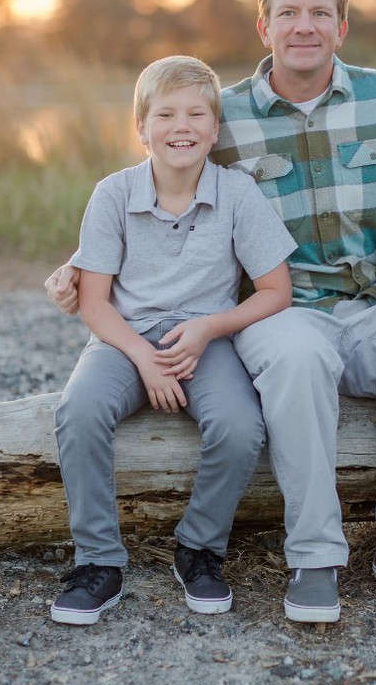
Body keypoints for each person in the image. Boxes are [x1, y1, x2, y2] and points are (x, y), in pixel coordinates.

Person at [46, 0, 376, 623]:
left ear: (342, 25)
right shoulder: (227, 115)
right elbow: (163, 178)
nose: (305, 26)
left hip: (374, 305)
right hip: (282, 307)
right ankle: (315, 554)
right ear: (264, 26)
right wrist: (79, 264)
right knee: (298, 362)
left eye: (320, 13)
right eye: (289, 13)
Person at [50, 55, 296, 625]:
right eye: (165, 114)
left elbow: (274, 291)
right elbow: (93, 301)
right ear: (141, 127)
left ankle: (200, 547)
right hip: (124, 338)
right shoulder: (112, 194)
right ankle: (99, 562)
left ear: (214, 129)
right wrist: (143, 358)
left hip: (205, 341)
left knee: (240, 427)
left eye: (195, 115)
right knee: (78, 411)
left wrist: (211, 327)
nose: (180, 126)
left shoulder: (236, 193)